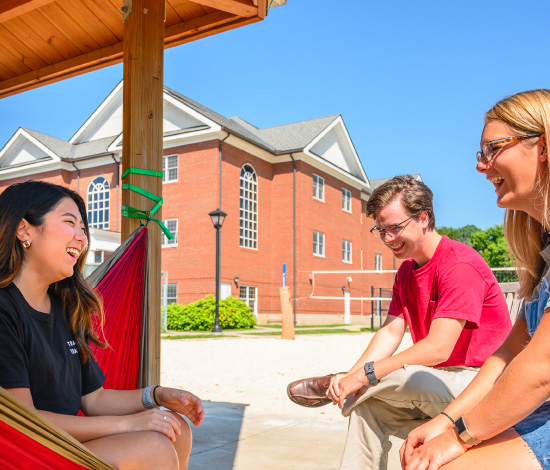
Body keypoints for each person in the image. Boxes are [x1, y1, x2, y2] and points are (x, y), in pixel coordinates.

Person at [287, 175, 512, 470]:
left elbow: (438, 349)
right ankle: (344, 382)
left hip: (484, 385)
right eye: (381, 230)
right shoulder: (406, 271)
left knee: (408, 376)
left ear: (423, 217)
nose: (388, 238)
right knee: (367, 407)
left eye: (395, 227)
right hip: (442, 385)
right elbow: (390, 331)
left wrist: (362, 375)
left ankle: (340, 380)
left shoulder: (458, 264)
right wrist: (356, 375)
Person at [0, 180, 204, 470]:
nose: (81, 238)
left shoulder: (65, 307)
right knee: (153, 446)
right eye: (70, 223)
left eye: (84, 230)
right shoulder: (5, 309)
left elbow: (93, 398)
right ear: (24, 230)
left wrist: (156, 395)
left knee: (175, 431)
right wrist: (127, 425)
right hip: (30, 452)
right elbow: (24, 420)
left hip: (66, 445)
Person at [400, 89, 550, 470]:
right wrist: (447, 421)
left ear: (543, 146)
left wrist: (460, 437)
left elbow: (541, 366)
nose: (481, 167)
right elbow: (507, 353)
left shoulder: (459, 263)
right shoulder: (542, 254)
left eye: (492, 149)